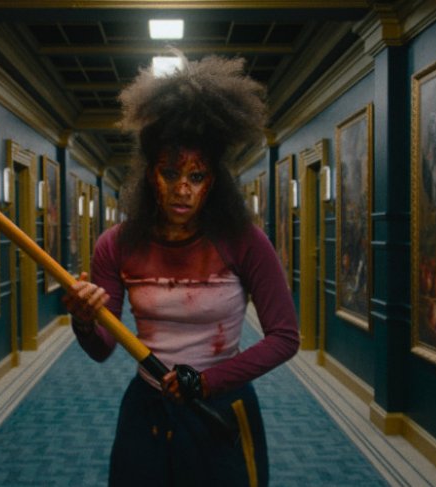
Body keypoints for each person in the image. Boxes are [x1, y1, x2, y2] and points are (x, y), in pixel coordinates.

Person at [63, 52, 299, 487]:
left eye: (197, 176)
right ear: (149, 175)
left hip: (220, 405)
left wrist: (206, 382)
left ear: (214, 181)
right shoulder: (116, 245)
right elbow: (102, 348)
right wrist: (83, 320)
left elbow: (285, 337)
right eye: (170, 173)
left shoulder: (244, 241)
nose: (182, 189)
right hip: (146, 410)